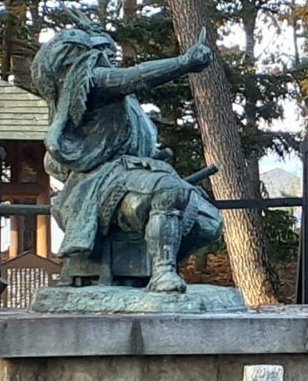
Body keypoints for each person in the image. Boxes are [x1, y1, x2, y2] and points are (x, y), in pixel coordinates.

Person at [30, 20, 222, 293]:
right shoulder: (93, 82)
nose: (110, 56)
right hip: (101, 180)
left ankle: (146, 264)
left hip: (131, 171)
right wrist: (184, 63)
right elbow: (138, 75)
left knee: (208, 222)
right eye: (103, 50)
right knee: (167, 191)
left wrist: (152, 154)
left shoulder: (120, 99)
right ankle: (162, 271)